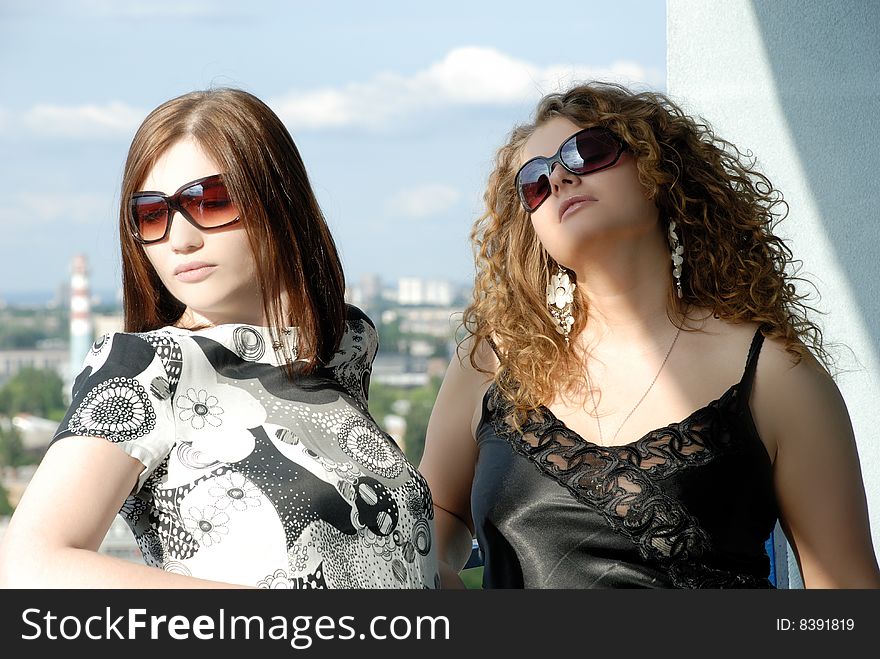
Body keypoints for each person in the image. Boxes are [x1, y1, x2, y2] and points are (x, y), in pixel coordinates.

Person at [419, 82, 880, 589]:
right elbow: (432, 522)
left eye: (586, 151)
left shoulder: (778, 376)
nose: (558, 177)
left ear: (659, 172)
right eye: (534, 183)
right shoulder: (489, 362)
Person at [0, 88, 439, 589]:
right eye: (151, 213)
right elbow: (30, 565)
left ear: (280, 201)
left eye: (210, 201)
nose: (180, 238)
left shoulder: (340, 351)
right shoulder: (145, 368)